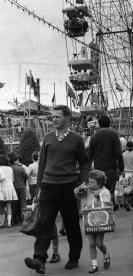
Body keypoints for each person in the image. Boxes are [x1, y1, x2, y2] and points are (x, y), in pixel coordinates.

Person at [24, 105, 90, 275]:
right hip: (48, 187)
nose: (53, 119)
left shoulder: (76, 139)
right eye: (52, 117)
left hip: (69, 187)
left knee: (71, 224)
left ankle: (74, 257)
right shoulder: (47, 138)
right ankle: (39, 259)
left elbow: (84, 162)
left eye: (57, 117)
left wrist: (82, 182)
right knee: (44, 224)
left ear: (67, 118)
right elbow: (42, 166)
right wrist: (39, 189)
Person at [74, 170, 111, 273]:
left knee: (99, 243)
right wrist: (79, 190)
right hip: (88, 220)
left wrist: (97, 197)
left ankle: (106, 253)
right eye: (89, 181)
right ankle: (94, 265)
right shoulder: (86, 191)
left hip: (100, 221)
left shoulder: (105, 192)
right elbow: (77, 194)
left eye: (92, 182)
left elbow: (106, 206)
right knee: (91, 243)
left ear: (99, 184)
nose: (89, 184)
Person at [88, 115, 124, 208]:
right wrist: (121, 168)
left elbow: (89, 156)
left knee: (99, 192)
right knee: (110, 192)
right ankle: (109, 212)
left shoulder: (93, 137)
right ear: (109, 124)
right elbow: (118, 154)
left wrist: (88, 171)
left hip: (98, 171)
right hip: (111, 169)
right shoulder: (113, 134)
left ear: (99, 124)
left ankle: (101, 213)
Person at [10, 154, 28, 225]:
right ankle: (25, 219)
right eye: (17, 160)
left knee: (14, 204)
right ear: (14, 161)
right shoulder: (20, 168)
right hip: (22, 187)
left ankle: (15, 219)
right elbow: (26, 176)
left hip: (14, 188)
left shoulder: (10, 168)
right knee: (23, 203)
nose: (18, 161)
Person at [0, 155, 18, 227]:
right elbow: (12, 179)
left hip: (2, 188)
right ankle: (9, 223)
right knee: (9, 205)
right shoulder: (10, 168)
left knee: (1, 206)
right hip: (10, 187)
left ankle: (1, 223)